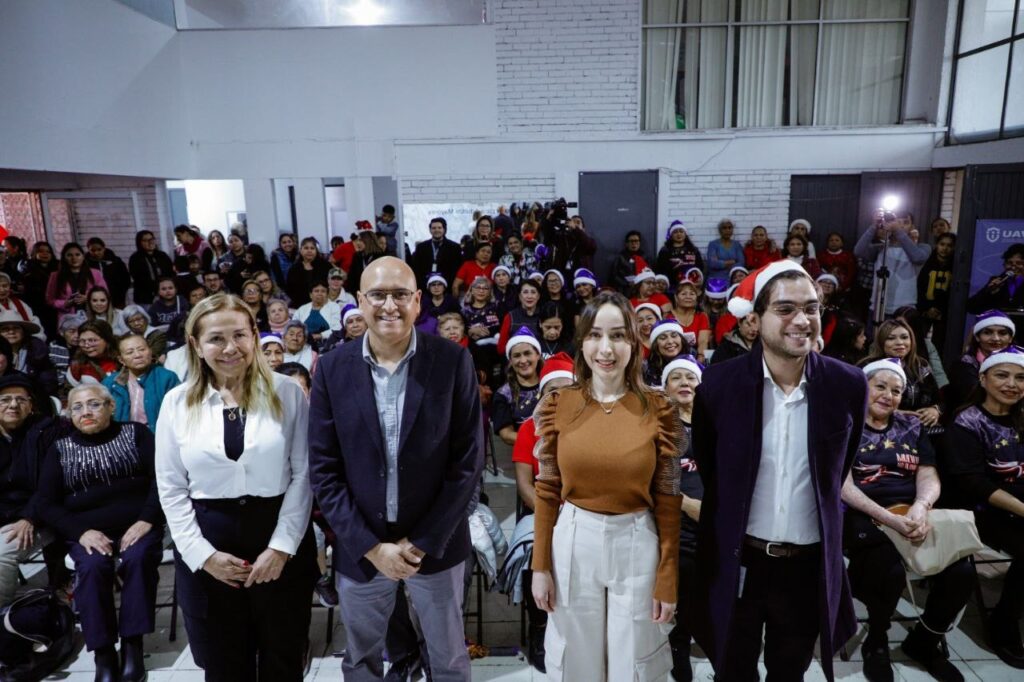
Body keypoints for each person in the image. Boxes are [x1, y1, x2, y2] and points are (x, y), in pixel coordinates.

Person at [690, 260, 867, 681]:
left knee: (790, 671)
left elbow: (839, 468)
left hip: (806, 565)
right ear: (754, 320)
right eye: (785, 309)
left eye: (811, 308)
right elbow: (714, 472)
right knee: (733, 669)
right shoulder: (718, 386)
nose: (802, 320)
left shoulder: (847, 384)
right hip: (741, 561)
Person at [308, 256, 483, 681]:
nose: (390, 305)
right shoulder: (332, 368)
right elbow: (324, 469)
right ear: (359, 300)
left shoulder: (452, 361)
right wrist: (371, 547)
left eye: (401, 295)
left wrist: (421, 543)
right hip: (361, 545)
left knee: (448, 660)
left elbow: (467, 463)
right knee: (362, 660)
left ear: (418, 300)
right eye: (378, 295)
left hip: (435, 545)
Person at [155, 293, 315, 680]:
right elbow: (171, 487)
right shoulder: (177, 403)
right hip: (208, 541)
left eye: (240, 335)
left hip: (278, 538)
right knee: (224, 665)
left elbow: (305, 474)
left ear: (255, 336)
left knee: (283, 662)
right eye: (216, 338)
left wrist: (281, 548)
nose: (230, 348)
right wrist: (203, 555)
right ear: (196, 344)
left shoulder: (287, 392)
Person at [529, 291, 681, 680]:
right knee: (576, 663)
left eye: (618, 335)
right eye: (596, 335)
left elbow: (667, 497)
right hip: (574, 538)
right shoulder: (559, 404)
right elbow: (547, 489)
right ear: (582, 342)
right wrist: (540, 566)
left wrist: (668, 574)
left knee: (634, 662)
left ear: (634, 342)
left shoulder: (659, 408)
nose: (606, 348)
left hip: (637, 539)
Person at [841, 358, 973, 682]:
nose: (888, 395)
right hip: (863, 514)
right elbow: (842, 485)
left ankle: (924, 643)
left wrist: (921, 506)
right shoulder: (845, 424)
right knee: (888, 567)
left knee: (962, 570)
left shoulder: (911, 426)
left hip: (911, 511)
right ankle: (877, 640)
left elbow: (928, 474)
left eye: (897, 390)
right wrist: (889, 519)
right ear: (863, 387)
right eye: (880, 386)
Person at [37, 384, 164, 682]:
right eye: (77, 407)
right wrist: (81, 532)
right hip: (87, 532)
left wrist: (146, 520)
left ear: (111, 407)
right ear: (69, 415)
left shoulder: (136, 434)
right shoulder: (60, 448)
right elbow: (44, 503)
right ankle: (104, 654)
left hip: (138, 526)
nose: (86, 412)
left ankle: (132, 646)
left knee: (138, 558)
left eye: (94, 404)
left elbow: (163, 479)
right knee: (93, 567)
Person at [947, 346, 1024, 669]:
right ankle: (1003, 624)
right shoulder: (968, 421)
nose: (1012, 384)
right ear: (983, 378)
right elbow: (974, 483)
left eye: (1020, 378)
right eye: (1002, 375)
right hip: (982, 510)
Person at [660, 355, 703, 682]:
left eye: (690, 377)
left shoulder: (713, 424)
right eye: (676, 378)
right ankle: (679, 643)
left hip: (716, 522)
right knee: (687, 582)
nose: (685, 383)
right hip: (679, 522)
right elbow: (653, 483)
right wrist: (689, 506)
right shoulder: (660, 428)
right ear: (665, 388)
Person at [0, 374, 60, 607]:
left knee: (1, 554)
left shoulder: (46, 432)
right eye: (5, 400)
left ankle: (2, 614)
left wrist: (30, 517)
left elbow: (52, 483)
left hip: (37, 518)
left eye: (21, 400)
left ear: (31, 405)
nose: (13, 405)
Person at [861, 319, 943, 437]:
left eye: (904, 337)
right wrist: (893, 412)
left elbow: (940, 400)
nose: (899, 342)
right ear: (881, 342)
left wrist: (935, 410)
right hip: (877, 431)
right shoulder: (867, 367)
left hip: (919, 430)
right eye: (891, 338)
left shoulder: (921, 366)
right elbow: (855, 401)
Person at [855, 213, 931, 319]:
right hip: (877, 307)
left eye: (905, 222)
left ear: (912, 227)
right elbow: (858, 251)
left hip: (905, 309)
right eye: (897, 222)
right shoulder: (880, 248)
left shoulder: (922, 247)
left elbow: (918, 258)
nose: (900, 225)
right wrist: (873, 226)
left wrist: (897, 231)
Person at [103, 334, 180, 432]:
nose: (137, 355)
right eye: (130, 352)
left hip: (157, 436)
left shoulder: (167, 378)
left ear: (150, 351)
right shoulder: (110, 383)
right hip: (122, 436)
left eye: (142, 349)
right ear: (121, 360)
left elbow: (179, 413)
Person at [948, 311, 1015, 414]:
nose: (995, 338)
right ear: (977, 337)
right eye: (988, 332)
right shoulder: (964, 364)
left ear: (1010, 338)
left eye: (1002, 333)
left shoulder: (1019, 363)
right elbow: (973, 397)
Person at [493, 328, 543, 446]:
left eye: (527, 353)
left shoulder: (551, 385)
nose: (523, 360)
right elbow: (506, 435)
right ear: (510, 360)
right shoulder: (503, 394)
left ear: (537, 355)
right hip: (524, 450)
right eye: (516, 356)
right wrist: (540, 442)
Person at [46, 242, 108, 323]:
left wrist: (88, 297)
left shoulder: (95, 273)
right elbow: (50, 300)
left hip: (92, 316)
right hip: (68, 319)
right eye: (69, 255)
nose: (74, 258)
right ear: (64, 258)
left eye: (77, 255)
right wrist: (66, 303)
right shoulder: (55, 276)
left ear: (83, 256)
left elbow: (105, 293)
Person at [0, 310, 57, 396]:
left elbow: (48, 381)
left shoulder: (37, 349)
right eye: (5, 329)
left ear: (23, 332)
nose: (11, 332)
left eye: (16, 328)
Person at [21, 242, 59, 339]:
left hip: (57, 307)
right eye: (41, 251)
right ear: (35, 253)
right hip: (39, 309)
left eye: (48, 251)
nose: (45, 254)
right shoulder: (29, 271)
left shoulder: (58, 269)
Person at [411, 217, 463, 289]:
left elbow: (456, 269)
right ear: (430, 230)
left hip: (447, 287)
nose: (436, 230)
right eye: (434, 228)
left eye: (439, 228)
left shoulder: (454, 247)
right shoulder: (421, 247)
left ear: (444, 229)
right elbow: (416, 268)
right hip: (425, 286)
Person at [668, 281, 710, 364]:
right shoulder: (668, 317)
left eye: (692, 294)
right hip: (673, 356)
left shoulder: (702, 316)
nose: (688, 297)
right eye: (684, 294)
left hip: (696, 356)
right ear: (676, 298)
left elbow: (703, 341)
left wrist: (700, 357)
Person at [128, 231, 175, 306]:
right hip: (145, 299)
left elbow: (170, 273)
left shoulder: (162, 256)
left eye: (152, 239)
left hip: (165, 296)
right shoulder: (136, 258)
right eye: (146, 240)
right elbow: (139, 279)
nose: (150, 242)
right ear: (139, 243)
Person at [68, 321, 120, 386]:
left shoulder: (122, 358)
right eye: (82, 341)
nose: (86, 345)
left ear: (107, 340)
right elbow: (67, 390)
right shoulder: (77, 365)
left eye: (92, 340)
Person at [85, 238, 131, 309]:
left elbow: (126, 279)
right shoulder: (85, 264)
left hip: (117, 299)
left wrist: (120, 294)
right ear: (88, 250)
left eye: (99, 249)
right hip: (96, 301)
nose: (96, 253)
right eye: (93, 250)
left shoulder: (115, 261)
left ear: (104, 248)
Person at [294, 281, 341, 347]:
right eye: (316, 291)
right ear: (310, 295)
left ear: (327, 294)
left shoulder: (334, 307)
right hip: (303, 344)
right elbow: (293, 327)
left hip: (327, 345)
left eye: (323, 291)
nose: (320, 294)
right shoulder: (302, 309)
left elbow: (337, 328)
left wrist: (319, 336)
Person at [643, 319, 689, 387]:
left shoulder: (694, 361)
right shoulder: (645, 368)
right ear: (656, 344)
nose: (670, 341)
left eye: (674, 336)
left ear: (681, 340)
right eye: (663, 338)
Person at [0, 272, 44, 340]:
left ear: (9, 286)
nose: (2, 290)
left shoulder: (19, 303)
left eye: (5, 286)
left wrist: (37, 338)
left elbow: (32, 320)